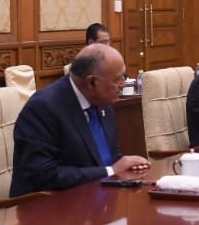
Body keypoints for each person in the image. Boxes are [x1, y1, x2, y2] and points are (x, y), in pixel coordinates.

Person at [10, 44, 150, 196]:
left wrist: (127, 166)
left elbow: (110, 157)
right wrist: (110, 171)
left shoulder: (103, 100)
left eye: (124, 76)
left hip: (99, 198)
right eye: (117, 80)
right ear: (91, 82)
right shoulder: (42, 108)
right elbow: (43, 175)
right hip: (50, 204)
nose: (123, 84)